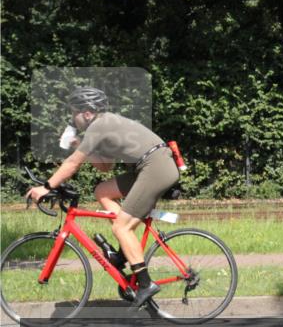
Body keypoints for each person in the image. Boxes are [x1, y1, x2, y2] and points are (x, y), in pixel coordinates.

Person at [25, 87, 180, 308]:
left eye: (73, 113)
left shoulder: (100, 125)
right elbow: (105, 166)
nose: (72, 119)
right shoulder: (104, 125)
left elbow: (72, 164)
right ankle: (123, 254)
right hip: (148, 166)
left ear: (86, 113)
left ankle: (145, 284)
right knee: (102, 191)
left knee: (121, 228)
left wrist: (46, 186)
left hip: (155, 166)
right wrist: (78, 145)